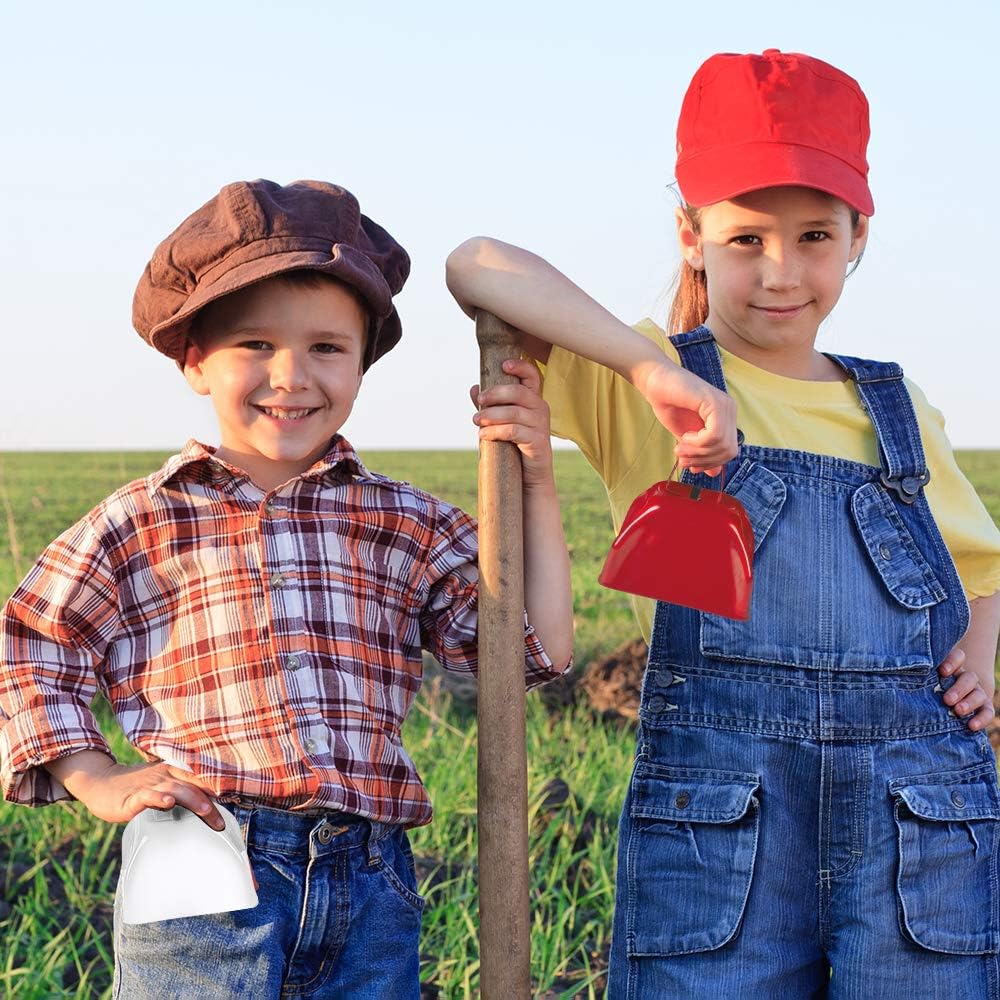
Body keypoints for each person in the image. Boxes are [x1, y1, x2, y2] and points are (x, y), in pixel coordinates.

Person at [446, 49, 1000, 998]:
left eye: (816, 236)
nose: (781, 272)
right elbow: (478, 265)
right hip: (724, 828)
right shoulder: (649, 382)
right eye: (745, 238)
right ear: (690, 234)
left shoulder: (897, 404)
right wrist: (650, 368)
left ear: (859, 235)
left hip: (918, 817)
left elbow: (978, 572)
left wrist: (982, 652)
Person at [0, 178, 573, 999]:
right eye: (255, 346)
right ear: (195, 361)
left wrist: (539, 485)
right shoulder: (144, 521)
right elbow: (30, 648)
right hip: (203, 868)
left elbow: (534, 650)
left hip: (370, 880)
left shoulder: (402, 522)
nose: (292, 375)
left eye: (327, 348)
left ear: (363, 362)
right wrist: (96, 776)